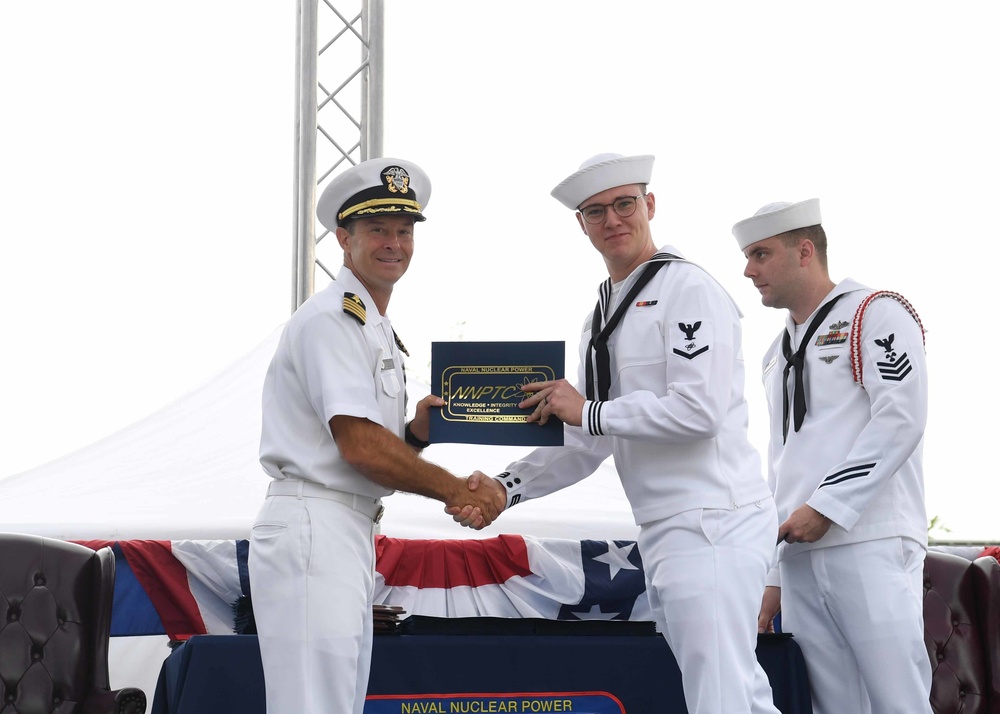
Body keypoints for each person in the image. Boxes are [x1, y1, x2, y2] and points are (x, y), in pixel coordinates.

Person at [461, 153, 781, 714]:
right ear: (580, 225)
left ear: (650, 205)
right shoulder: (602, 312)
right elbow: (590, 440)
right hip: (667, 526)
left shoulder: (688, 288)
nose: (613, 219)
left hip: (712, 521)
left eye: (625, 204)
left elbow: (697, 412)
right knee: (737, 692)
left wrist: (587, 411)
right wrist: (505, 486)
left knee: (721, 696)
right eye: (595, 211)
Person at [248, 157, 506, 714]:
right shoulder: (332, 319)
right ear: (344, 238)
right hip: (316, 524)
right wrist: (457, 490)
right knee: (313, 705)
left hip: (341, 527)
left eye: (404, 231)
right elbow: (360, 446)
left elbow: (368, 443)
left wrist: (412, 435)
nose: (395, 243)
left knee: (332, 703)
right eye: (377, 230)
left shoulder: (373, 324)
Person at [732, 199, 932, 714]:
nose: (748, 270)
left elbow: (900, 417)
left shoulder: (876, 311)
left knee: (899, 702)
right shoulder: (776, 352)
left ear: (804, 251)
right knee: (831, 707)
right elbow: (783, 459)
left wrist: (826, 506)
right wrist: (774, 575)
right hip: (799, 553)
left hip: (869, 536)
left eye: (760, 253)